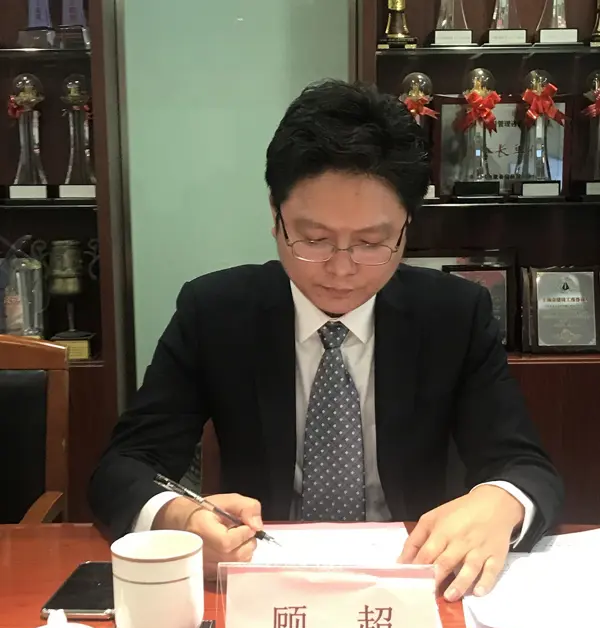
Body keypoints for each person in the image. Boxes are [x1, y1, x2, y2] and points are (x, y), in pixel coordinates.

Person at [89, 79, 563, 598]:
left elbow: (526, 468)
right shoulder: (216, 312)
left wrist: (501, 500)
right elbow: (124, 467)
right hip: (263, 586)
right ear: (275, 217)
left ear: (407, 226)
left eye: (372, 243)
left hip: (412, 583)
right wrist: (178, 518)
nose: (341, 269)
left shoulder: (454, 314)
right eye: (314, 239)